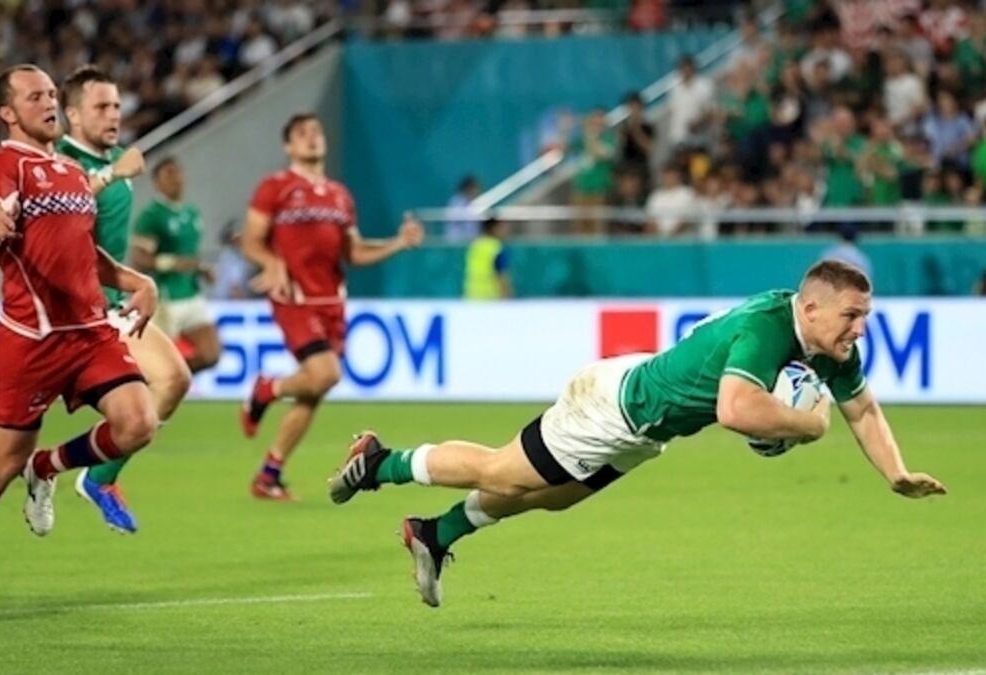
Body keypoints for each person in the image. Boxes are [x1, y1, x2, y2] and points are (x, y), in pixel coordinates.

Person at [328, 260, 946, 607]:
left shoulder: (828, 346)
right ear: (811, 308)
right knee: (501, 473)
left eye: (865, 316)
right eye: (852, 315)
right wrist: (806, 424)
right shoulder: (767, 329)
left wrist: (895, 473)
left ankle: (433, 533)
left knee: (556, 497)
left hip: (646, 428)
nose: (860, 328)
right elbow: (736, 410)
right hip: (610, 409)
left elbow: (863, 409)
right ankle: (380, 462)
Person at [0, 66, 175, 581]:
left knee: (167, 386)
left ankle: (76, 474)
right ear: (75, 114)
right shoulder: (49, 163)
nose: (114, 115)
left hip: (96, 314)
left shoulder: (82, 166)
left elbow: (83, 240)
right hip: (41, 327)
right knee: (1, 435)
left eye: (118, 106)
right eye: (101, 107)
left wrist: (136, 278)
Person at [238, 113, 424, 501]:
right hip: (296, 298)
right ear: (288, 146)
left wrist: (397, 243)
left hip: (332, 303)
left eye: (316, 132)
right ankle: (266, 389)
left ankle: (269, 474)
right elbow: (251, 240)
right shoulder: (275, 187)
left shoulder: (340, 195)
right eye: (302, 134)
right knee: (325, 374)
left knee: (314, 389)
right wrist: (272, 263)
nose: (312, 138)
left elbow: (353, 252)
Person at [130, 157, 222, 373]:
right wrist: (171, 263)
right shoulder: (152, 216)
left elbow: (189, 256)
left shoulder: (191, 212)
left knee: (210, 355)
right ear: (157, 182)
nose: (176, 179)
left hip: (191, 293)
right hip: (166, 299)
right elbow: (139, 259)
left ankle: (171, 381)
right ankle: (153, 384)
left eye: (178, 173)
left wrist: (201, 269)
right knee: (157, 363)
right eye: (169, 174)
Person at [462, 217, 511, 300]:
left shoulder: (474, 246)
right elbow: (501, 275)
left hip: (472, 296)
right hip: (490, 298)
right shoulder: (496, 248)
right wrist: (507, 296)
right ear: (495, 228)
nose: (505, 231)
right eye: (502, 228)